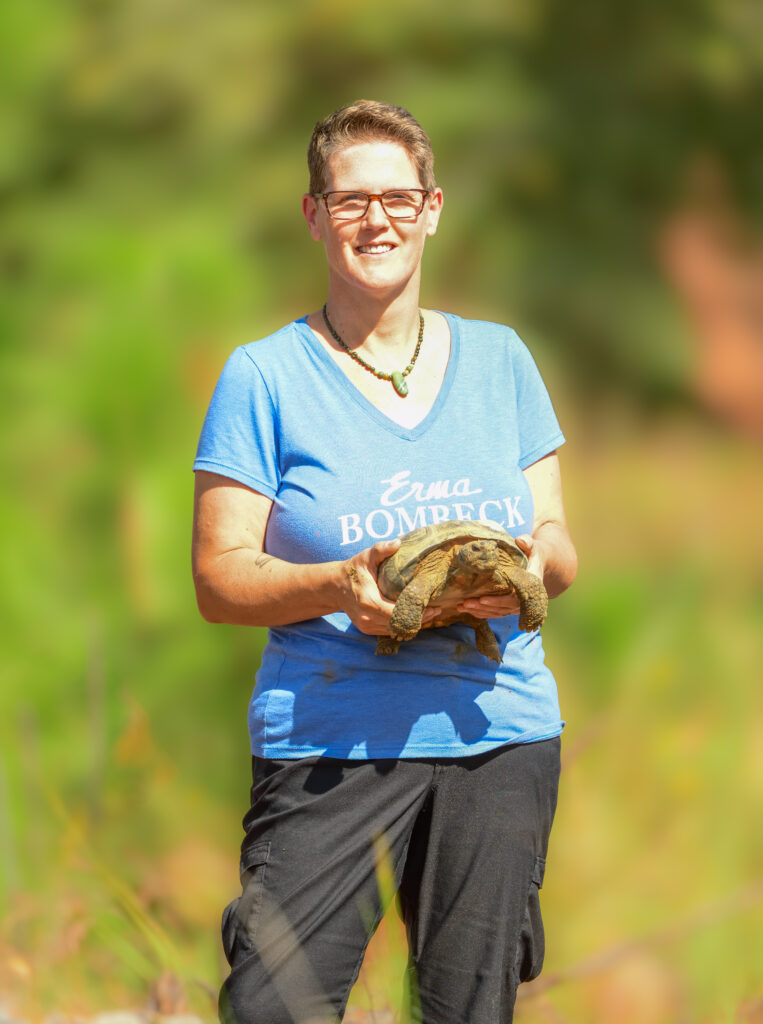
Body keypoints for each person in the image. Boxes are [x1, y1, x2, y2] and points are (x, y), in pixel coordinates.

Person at [192, 99, 577, 1024]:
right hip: (330, 742)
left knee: (463, 1011)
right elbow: (218, 578)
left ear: (432, 209)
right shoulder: (264, 376)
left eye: (398, 199)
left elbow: (557, 542)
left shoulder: (501, 360)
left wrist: (517, 576)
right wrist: (338, 587)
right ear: (314, 214)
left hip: (499, 742)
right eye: (351, 199)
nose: (378, 220)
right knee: (274, 1005)